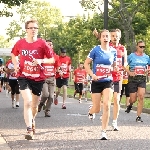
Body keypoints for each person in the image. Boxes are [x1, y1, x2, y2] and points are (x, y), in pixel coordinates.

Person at [11, 19, 54, 140]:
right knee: (28, 102)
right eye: (31, 28)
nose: (33, 30)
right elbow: (14, 54)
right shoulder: (20, 43)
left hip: (38, 78)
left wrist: (41, 60)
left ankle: (32, 120)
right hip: (23, 75)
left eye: (35, 28)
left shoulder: (42, 43)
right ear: (26, 30)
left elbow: (51, 59)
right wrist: (15, 64)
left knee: (34, 106)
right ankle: (29, 129)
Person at [84, 29, 117, 140]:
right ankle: (91, 111)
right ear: (100, 38)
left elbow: (114, 65)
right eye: (103, 36)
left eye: (107, 36)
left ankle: (103, 131)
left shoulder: (113, 51)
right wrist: (92, 75)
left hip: (108, 81)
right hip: (96, 81)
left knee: (107, 105)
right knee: (97, 109)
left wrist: (115, 68)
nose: (105, 38)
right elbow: (86, 64)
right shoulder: (95, 50)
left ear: (110, 38)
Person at [124, 40, 150, 122]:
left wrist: (147, 71)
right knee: (133, 99)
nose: (142, 48)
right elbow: (124, 65)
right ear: (137, 47)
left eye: (143, 47)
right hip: (133, 79)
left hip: (142, 79)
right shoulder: (131, 56)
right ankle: (130, 104)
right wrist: (129, 72)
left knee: (141, 97)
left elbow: (149, 67)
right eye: (140, 47)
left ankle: (138, 116)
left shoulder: (146, 57)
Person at [109, 29, 127, 131]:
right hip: (107, 76)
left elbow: (125, 62)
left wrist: (123, 67)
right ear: (110, 37)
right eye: (113, 36)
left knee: (116, 100)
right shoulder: (108, 47)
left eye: (117, 36)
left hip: (118, 76)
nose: (115, 37)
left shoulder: (122, 48)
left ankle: (114, 121)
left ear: (119, 37)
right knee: (106, 101)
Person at [38, 40, 60, 117]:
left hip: (52, 78)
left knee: (51, 96)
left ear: (52, 46)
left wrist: (59, 71)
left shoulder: (56, 56)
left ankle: (47, 110)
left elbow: (57, 67)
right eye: (48, 44)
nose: (49, 46)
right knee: (45, 94)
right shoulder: (41, 56)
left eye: (51, 44)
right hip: (43, 78)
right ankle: (41, 104)